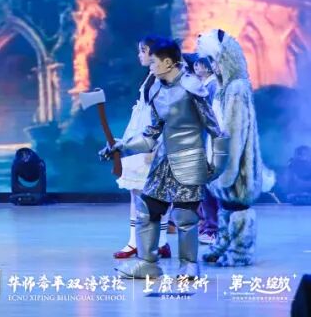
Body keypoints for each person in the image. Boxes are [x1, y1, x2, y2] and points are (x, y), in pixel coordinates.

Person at [100, 38, 228, 279]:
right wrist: (122, 145)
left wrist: (218, 166)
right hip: (162, 161)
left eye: (154, 62)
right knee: (147, 209)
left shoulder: (192, 88)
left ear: (168, 62)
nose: (150, 66)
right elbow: (150, 135)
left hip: (189, 159)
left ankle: (188, 265)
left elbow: (215, 129)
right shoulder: (156, 89)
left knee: (185, 216)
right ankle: (147, 262)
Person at [195, 28, 275, 266]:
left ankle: (240, 252)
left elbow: (235, 132)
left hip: (237, 164)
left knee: (238, 207)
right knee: (225, 206)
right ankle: (223, 243)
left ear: (225, 59)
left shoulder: (237, 88)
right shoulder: (224, 88)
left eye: (215, 61)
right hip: (221, 158)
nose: (213, 66)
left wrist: (227, 169)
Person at [113, 36, 172, 260]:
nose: (140, 55)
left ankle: (150, 242)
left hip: (154, 143)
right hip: (143, 139)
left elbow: (165, 117)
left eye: (142, 51)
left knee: (150, 193)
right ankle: (145, 241)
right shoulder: (152, 76)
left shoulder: (163, 81)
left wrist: (156, 148)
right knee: (139, 192)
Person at [191, 54, 222, 244]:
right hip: (203, 141)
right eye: (195, 64)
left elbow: (210, 116)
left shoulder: (212, 86)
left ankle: (212, 228)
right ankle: (207, 225)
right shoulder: (204, 85)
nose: (196, 67)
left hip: (210, 142)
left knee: (209, 187)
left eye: (200, 64)